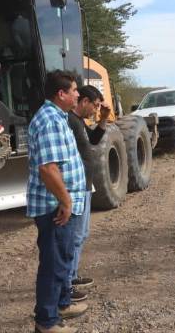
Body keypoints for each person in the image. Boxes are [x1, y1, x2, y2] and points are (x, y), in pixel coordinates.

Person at [27, 70, 88, 333]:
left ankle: (62, 304)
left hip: (61, 203)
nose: (78, 94)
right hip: (55, 207)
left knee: (63, 257)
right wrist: (65, 201)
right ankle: (47, 322)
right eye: (74, 90)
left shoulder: (57, 117)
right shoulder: (50, 121)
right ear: (61, 94)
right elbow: (48, 169)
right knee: (54, 263)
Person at [66, 85, 110, 302]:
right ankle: (66, 282)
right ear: (84, 101)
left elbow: (93, 140)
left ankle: (72, 276)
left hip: (86, 184)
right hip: (76, 186)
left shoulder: (79, 122)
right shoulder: (69, 122)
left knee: (81, 235)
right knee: (74, 236)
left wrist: (103, 119)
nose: (96, 109)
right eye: (95, 105)